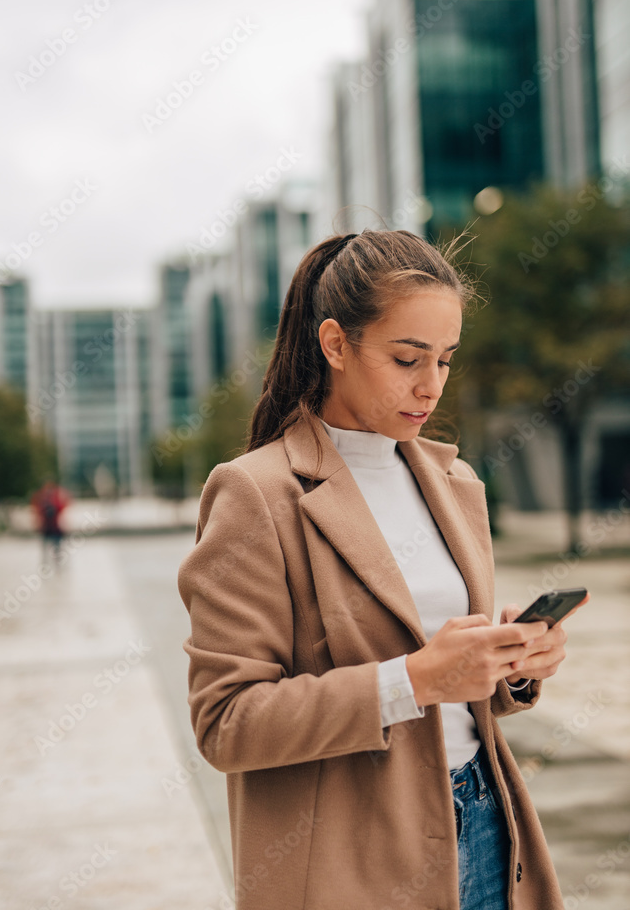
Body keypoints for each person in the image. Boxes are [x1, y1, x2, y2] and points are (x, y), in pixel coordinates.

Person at [177, 229, 589, 910]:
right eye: (406, 359)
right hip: (354, 862)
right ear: (334, 344)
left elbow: (455, 689)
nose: (429, 387)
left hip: (486, 828)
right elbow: (226, 723)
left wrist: (505, 664)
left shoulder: (452, 479)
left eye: (445, 361)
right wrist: (415, 678)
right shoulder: (255, 493)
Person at [32, 479, 70, 566]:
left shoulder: (56, 500)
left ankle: (57, 565)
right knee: (46, 550)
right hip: (47, 528)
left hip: (55, 528)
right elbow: (37, 510)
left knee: (57, 549)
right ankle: (46, 565)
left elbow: (63, 507)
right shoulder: (42, 501)